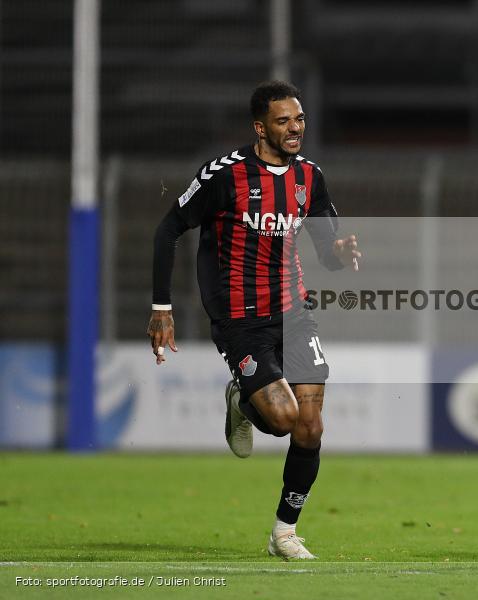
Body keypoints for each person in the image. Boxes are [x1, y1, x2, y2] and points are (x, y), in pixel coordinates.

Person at [147, 80, 361, 560]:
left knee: (311, 425)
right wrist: (162, 307)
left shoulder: (310, 176)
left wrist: (340, 252)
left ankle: (283, 533)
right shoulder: (225, 174)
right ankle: (242, 401)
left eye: (300, 119)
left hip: (294, 312)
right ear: (259, 127)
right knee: (283, 421)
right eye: (283, 121)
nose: (294, 129)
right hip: (239, 318)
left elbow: (327, 252)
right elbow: (169, 228)